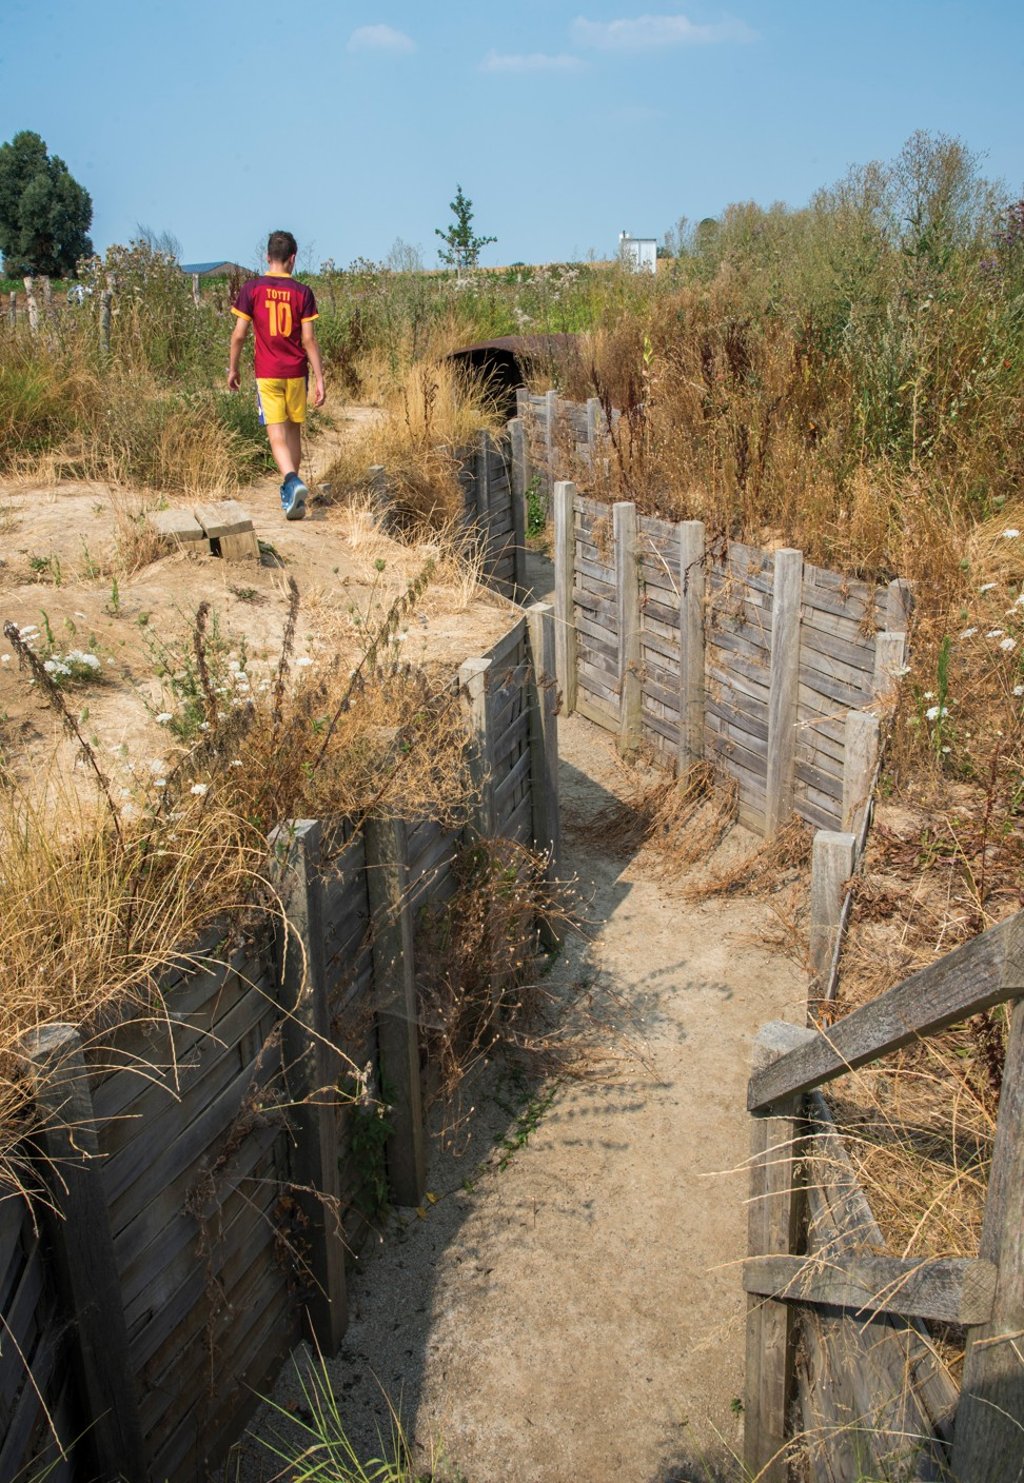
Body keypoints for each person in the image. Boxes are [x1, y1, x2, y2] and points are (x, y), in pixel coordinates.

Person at [227, 230, 326, 520]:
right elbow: (309, 340)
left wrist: (233, 367)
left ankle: (292, 481)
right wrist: (319, 377)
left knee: (276, 434)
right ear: (293, 258)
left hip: (268, 373)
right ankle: (292, 497)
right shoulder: (303, 292)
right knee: (293, 429)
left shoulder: (252, 289)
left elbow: (238, 335)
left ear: (267, 257)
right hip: (296, 372)